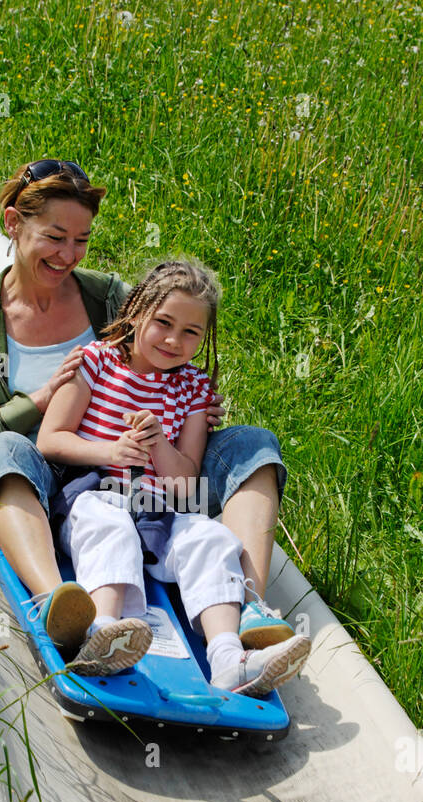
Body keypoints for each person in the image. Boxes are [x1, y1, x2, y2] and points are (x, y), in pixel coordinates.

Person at [0, 158, 295, 655]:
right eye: (55, 237)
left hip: (153, 475)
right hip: (58, 469)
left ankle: (247, 603)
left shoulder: (109, 297)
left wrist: (198, 414)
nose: (68, 255)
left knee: (254, 444)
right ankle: (58, 602)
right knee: (4, 445)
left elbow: (168, 337)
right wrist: (35, 402)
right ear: (14, 223)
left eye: (80, 240)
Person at [36, 260, 311, 692]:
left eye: (190, 332)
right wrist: (110, 450)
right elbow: (50, 439)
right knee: (110, 529)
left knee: (211, 538)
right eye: (163, 322)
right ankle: (100, 634)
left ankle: (229, 657)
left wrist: (160, 443)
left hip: (158, 508)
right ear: (136, 313)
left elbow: (185, 486)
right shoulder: (97, 362)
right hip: (93, 494)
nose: (173, 340)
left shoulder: (194, 389)